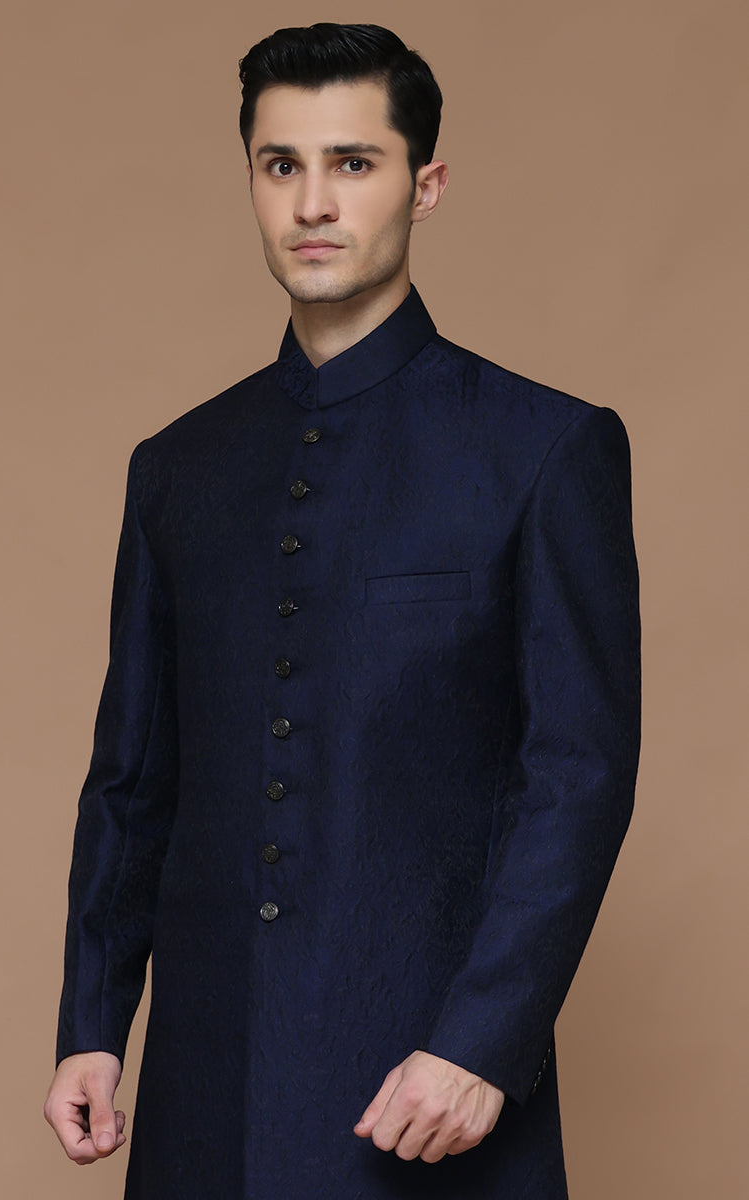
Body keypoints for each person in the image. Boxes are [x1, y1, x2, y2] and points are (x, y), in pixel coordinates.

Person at [43, 22, 640, 1200]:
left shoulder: (542, 448)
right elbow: (132, 780)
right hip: (205, 1087)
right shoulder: (177, 467)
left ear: (426, 185)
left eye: (352, 163)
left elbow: (576, 773)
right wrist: (93, 1024)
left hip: (427, 1085)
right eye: (281, 165)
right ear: (250, 181)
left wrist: (482, 1042)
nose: (312, 203)